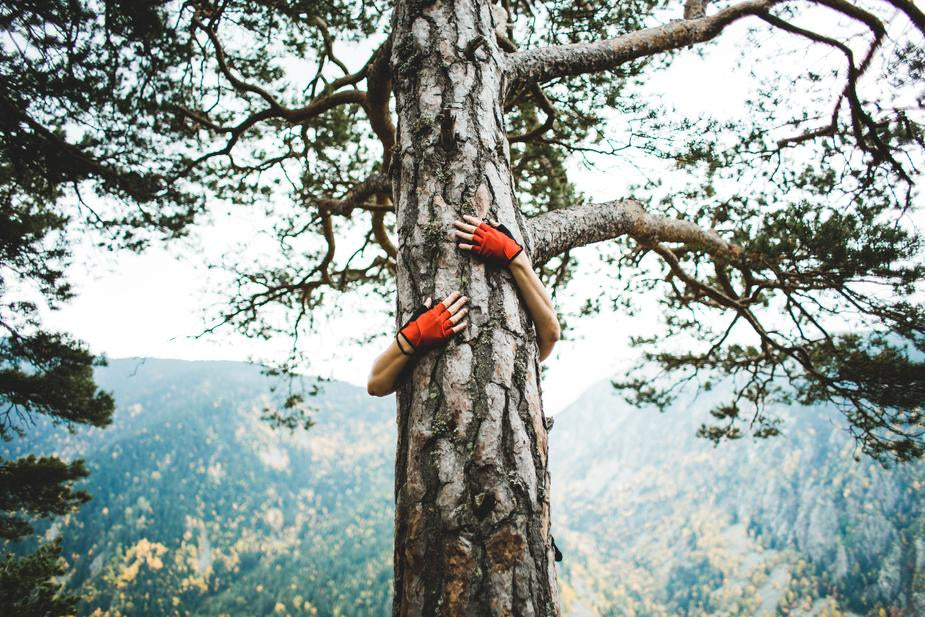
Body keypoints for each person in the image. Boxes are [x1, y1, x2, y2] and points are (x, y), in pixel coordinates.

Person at [366, 215, 560, 397]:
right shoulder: (517, 356)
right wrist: (517, 260)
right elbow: (375, 385)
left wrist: (414, 337)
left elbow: (376, 384)